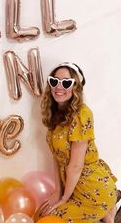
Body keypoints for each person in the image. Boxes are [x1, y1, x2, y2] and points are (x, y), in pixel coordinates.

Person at [34, 62, 119, 223]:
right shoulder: (54, 114)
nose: (59, 87)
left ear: (75, 87)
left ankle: (108, 208)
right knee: (40, 215)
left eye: (66, 82)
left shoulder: (82, 114)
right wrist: (57, 192)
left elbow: (76, 165)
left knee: (49, 219)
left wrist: (64, 199)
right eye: (54, 81)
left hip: (93, 189)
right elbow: (56, 157)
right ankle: (108, 214)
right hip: (71, 187)